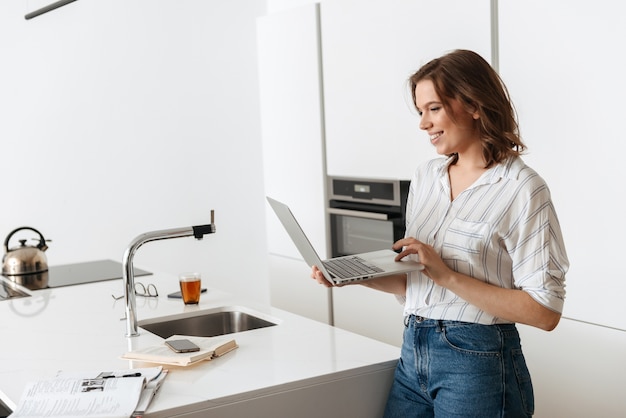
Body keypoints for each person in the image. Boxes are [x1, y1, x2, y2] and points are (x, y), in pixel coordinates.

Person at [311, 49, 568, 417]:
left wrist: (447, 275)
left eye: (434, 108)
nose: (423, 124)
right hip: (413, 349)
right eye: (420, 112)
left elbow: (545, 312)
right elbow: (420, 284)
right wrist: (353, 277)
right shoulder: (426, 177)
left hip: (477, 360)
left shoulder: (522, 188)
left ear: (475, 105)